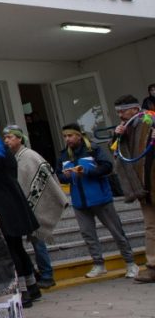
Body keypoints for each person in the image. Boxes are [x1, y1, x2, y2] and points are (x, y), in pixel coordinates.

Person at [56, 122, 138, 279]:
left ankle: (130, 263)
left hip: (101, 198)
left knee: (117, 232)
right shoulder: (63, 155)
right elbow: (59, 175)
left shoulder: (93, 149)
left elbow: (107, 167)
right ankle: (98, 264)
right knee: (88, 235)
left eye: (70, 135)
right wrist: (64, 177)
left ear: (79, 135)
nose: (67, 139)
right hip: (79, 202)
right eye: (65, 136)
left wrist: (87, 171)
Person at [0, 124, 41, 307]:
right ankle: (32, 287)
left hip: (1, 206)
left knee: (11, 250)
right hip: (16, 202)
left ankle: (23, 293)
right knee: (18, 247)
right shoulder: (4, 150)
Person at [2, 125, 69, 289]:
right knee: (29, 244)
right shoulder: (13, 157)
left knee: (38, 242)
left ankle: (47, 275)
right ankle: (36, 273)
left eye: (10, 137)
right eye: (5, 137)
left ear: (19, 138)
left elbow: (45, 177)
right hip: (24, 206)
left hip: (36, 205)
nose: (6, 141)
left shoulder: (30, 156)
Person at [112, 94, 154, 283]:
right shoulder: (126, 129)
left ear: (135, 110)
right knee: (151, 228)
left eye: (123, 111)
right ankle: (152, 268)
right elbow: (117, 153)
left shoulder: (150, 120)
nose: (120, 115)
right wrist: (118, 136)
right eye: (118, 112)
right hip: (144, 188)